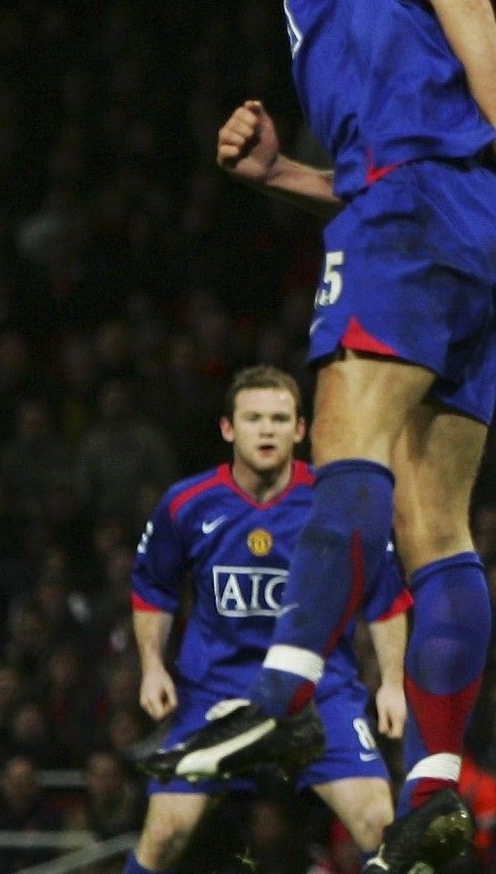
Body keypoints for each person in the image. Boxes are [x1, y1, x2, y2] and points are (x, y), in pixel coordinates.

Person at [140, 0, 496, 873]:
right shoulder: (368, 12)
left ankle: (276, 691)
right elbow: (394, 152)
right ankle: (432, 783)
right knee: (435, 523)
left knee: (349, 442)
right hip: (481, 232)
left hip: (426, 206)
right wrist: (284, 175)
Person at [127, 366, 410, 874]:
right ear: (228, 429)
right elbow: (154, 587)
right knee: (165, 832)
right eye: (253, 418)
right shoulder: (187, 504)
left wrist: (392, 682)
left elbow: (384, 595)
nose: (267, 429)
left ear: (301, 430)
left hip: (319, 690)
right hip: (213, 690)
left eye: (280, 419)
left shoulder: (335, 504)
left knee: (379, 825)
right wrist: (152, 666)